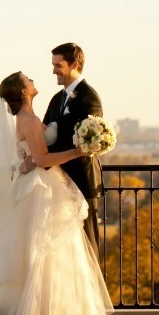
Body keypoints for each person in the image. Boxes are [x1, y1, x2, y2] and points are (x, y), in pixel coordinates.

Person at [0, 71, 113, 315]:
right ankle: (43, 312)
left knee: (46, 248)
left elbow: (37, 154)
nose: (33, 81)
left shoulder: (30, 116)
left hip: (40, 183)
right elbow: (41, 160)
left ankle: (48, 309)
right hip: (40, 187)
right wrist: (78, 151)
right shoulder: (27, 119)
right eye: (28, 80)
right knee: (44, 248)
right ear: (22, 91)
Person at [42, 42, 104, 255]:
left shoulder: (89, 98)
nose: (53, 71)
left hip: (82, 181)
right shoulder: (57, 99)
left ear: (75, 64)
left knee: (87, 246)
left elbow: (81, 142)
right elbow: (44, 133)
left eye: (58, 65)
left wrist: (44, 159)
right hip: (59, 182)